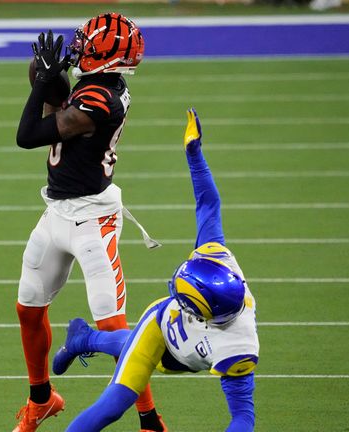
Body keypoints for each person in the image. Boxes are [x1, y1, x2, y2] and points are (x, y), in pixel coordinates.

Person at [52, 109, 260, 432]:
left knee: (137, 347)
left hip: (191, 348)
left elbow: (243, 418)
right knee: (113, 405)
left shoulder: (238, 346)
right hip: (161, 327)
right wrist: (194, 153)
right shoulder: (217, 257)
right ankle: (84, 339)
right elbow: (209, 204)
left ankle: (84, 338)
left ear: (200, 314)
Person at [13, 13, 166, 432]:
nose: (80, 47)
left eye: (89, 44)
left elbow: (29, 134)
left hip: (92, 219)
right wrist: (43, 74)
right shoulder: (94, 87)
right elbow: (54, 101)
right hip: (57, 211)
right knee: (28, 308)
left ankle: (151, 421)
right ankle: (41, 400)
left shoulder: (103, 100)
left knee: (114, 326)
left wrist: (44, 82)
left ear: (108, 58)